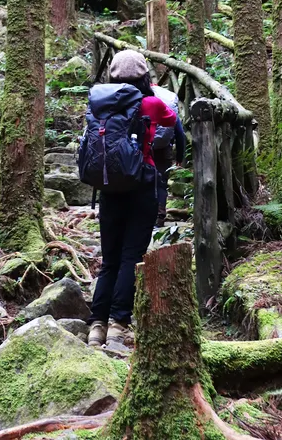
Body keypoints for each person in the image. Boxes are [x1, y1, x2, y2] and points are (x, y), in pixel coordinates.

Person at [87, 50, 177, 348]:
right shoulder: (151, 103)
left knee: (109, 260)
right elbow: (174, 125)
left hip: (109, 189)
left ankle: (96, 325)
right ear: (143, 75)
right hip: (142, 185)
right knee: (130, 257)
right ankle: (118, 324)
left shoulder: (98, 103)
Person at [151, 83, 185, 228]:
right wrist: (179, 157)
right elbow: (180, 134)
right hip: (164, 150)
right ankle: (160, 217)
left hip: (144, 148)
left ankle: (144, 216)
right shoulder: (169, 107)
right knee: (162, 184)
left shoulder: (144, 102)